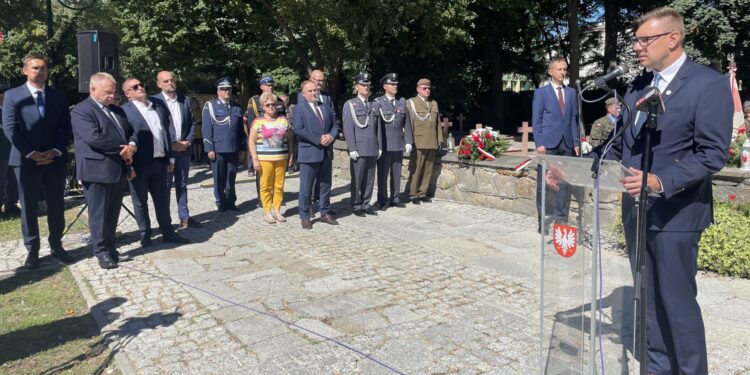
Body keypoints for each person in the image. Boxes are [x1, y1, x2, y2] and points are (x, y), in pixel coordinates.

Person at [614, 7, 732, 374]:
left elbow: (712, 154)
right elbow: (620, 146)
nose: (636, 47)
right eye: (635, 40)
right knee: (647, 300)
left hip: (676, 215)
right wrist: (568, 167)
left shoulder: (708, 84)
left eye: (643, 40)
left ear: (672, 39)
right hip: (637, 211)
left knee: (677, 303)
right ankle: (657, 368)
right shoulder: (638, 86)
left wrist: (660, 181)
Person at [2, 55, 74, 269]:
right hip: (25, 162)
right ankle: (32, 250)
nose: (40, 72)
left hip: (54, 160)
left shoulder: (57, 96)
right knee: (29, 207)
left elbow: (66, 128)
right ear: (25, 70)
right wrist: (31, 153)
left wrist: (55, 151)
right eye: (35, 68)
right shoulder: (13, 96)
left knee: (56, 205)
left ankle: (57, 245)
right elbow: (10, 129)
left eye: (44, 68)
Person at [71, 72, 137, 270]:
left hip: (117, 168)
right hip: (96, 169)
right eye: (108, 92)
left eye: (114, 92)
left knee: (112, 212)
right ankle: (100, 251)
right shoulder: (82, 111)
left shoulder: (117, 110)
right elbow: (94, 138)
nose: (112, 96)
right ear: (93, 89)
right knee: (98, 213)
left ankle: (110, 246)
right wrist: (123, 149)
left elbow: (130, 132)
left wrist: (132, 145)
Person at [121, 78, 189, 246]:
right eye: (134, 87)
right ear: (127, 94)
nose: (140, 88)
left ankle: (168, 232)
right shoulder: (124, 111)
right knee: (140, 201)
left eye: (141, 84)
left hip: (159, 162)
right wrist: (128, 166)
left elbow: (165, 133)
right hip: (139, 164)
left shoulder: (156, 107)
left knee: (162, 199)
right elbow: (125, 139)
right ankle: (145, 233)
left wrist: (169, 157)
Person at [532, 56, 580, 234]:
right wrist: (540, 143)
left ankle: (561, 220)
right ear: (550, 71)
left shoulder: (571, 93)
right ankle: (542, 220)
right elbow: (537, 121)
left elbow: (573, 120)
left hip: (566, 144)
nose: (563, 72)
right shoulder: (541, 93)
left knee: (563, 184)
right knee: (543, 184)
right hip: (548, 144)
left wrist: (575, 142)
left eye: (565, 69)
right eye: (559, 69)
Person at [154, 71, 201, 228]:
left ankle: (185, 217)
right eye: (165, 81)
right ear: (159, 84)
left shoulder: (184, 100)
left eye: (172, 80)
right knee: (165, 186)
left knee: (182, 184)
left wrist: (188, 141)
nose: (170, 83)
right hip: (166, 152)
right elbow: (154, 128)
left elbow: (192, 123)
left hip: (184, 150)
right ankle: (165, 221)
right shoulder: (154, 102)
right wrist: (170, 145)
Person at [293, 80, 338, 229]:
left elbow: (334, 125)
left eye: (315, 91)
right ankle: (305, 215)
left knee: (325, 185)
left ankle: (324, 212)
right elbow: (299, 129)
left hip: (326, 152)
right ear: (303, 93)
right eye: (310, 91)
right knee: (306, 186)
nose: (314, 93)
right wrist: (318, 139)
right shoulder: (299, 108)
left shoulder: (325, 106)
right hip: (309, 152)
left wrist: (331, 136)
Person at [248, 92, 294, 224]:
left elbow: (290, 139)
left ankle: (277, 210)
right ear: (263, 106)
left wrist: (291, 154)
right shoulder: (258, 121)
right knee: (266, 186)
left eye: (273, 104)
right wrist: (255, 159)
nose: (271, 107)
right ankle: (267, 211)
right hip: (264, 159)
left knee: (279, 185)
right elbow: (251, 141)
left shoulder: (283, 120)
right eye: (268, 105)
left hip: (281, 157)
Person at [202, 78, 245, 212]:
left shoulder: (236, 107)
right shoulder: (210, 106)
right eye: (224, 89)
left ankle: (230, 200)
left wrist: (243, 148)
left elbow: (240, 131)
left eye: (229, 89)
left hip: (233, 147)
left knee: (231, 175)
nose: (227, 91)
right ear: (218, 91)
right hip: (218, 148)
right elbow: (206, 128)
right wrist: (209, 148)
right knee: (219, 176)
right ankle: (220, 201)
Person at [343, 73, 381, 216]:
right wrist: (352, 148)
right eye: (363, 85)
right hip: (358, 148)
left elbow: (379, 129)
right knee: (357, 179)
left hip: (372, 147)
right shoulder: (350, 105)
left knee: (370, 179)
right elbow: (348, 128)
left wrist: (380, 146)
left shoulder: (374, 105)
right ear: (357, 87)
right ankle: (356, 204)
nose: (366, 87)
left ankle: (366, 204)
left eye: (367, 85)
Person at [373, 73, 413, 210]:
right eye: (392, 84)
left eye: (396, 84)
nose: (395, 86)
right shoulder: (378, 102)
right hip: (384, 144)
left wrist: (408, 141)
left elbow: (406, 123)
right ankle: (382, 200)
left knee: (396, 173)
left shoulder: (401, 102)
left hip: (398, 143)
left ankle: (395, 198)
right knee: (383, 174)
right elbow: (376, 126)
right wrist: (377, 144)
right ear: (385, 86)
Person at [406, 78, 442, 204]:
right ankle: (413, 194)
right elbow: (408, 123)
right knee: (416, 169)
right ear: (418, 89)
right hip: (418, 141)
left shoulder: (433, 103)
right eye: (424, 88)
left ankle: (423, 192)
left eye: (429, 88)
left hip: (431, 141)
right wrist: (409, 141)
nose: (427, 90)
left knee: (428, 169)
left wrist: (440, 140)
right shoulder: (411, 103)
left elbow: (437, 123)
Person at [244, 76, 285, 179]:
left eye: (272, 85)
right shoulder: (255, 101)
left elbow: (284, 121)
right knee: (263, 178)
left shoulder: (279, 101)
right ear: (262, 87)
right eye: (268, 85)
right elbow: (251, 123)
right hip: (262, 143)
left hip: (277, 144)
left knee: (277, 178)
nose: (270, 87)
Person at [0, 83, 20, 217]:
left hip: (14, 150)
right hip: (1, 152)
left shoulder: (12, 109)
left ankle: (11, 205)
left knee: (13, 181)